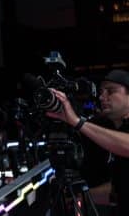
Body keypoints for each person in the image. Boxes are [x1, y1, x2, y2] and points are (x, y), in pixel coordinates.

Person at [46, 69, 129, 215]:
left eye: (110, 91)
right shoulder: (106, 126)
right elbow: (118, 192)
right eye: (101, 92)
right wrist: (80, 196)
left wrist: (77, 122)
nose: (102, 97)